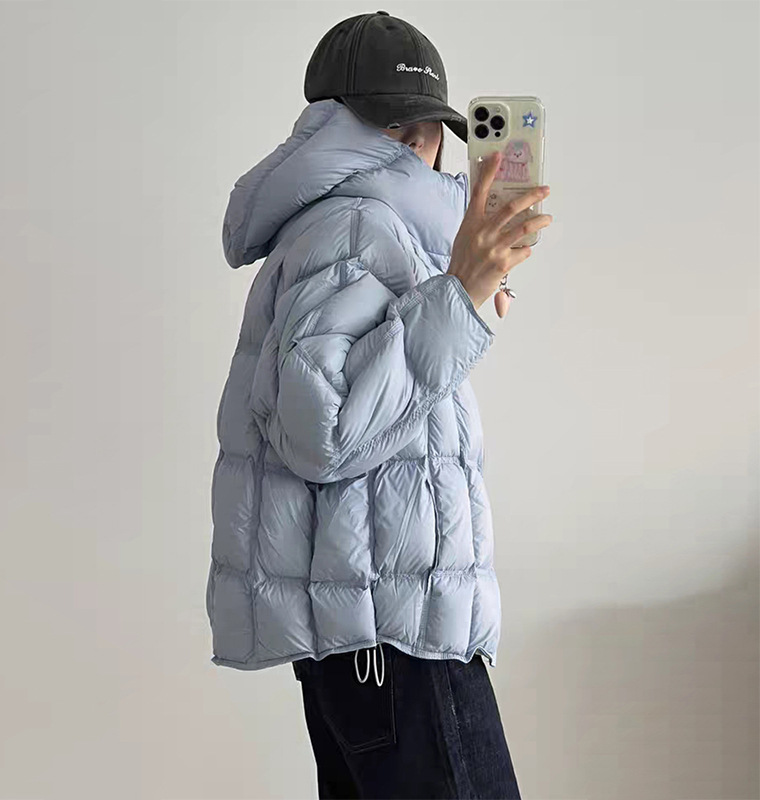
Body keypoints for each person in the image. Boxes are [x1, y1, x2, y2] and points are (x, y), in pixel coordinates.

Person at [206, 10, 552, 799]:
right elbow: (321, 432)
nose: (424, 150)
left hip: (373, 640)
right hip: (397, 640)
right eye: (406, 128)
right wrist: (456, 296)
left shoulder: (357, 227)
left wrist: (457, 292)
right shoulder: (357, 224)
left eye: (426, 131)